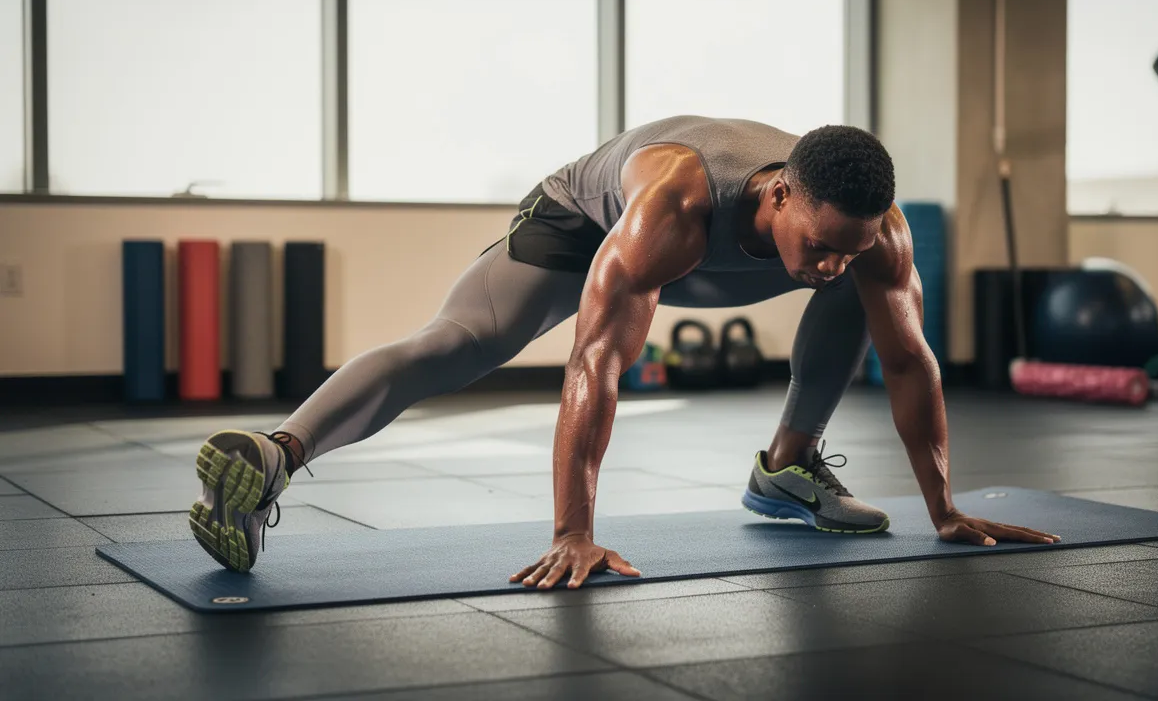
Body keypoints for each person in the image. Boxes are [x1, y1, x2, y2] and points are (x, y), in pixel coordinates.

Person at [187, 116, 1060, 587]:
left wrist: (945, 510)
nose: (834, 259)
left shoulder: (868, 236)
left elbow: (909, 363)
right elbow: (596, 362)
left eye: (850, 244)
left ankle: (787, 470)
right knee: (459, 344)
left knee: (857, 300)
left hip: (724, 255)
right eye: (822, 241)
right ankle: (277, 453)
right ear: (783, 193)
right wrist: (574, 533)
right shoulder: (674, 201)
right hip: (588, 223)